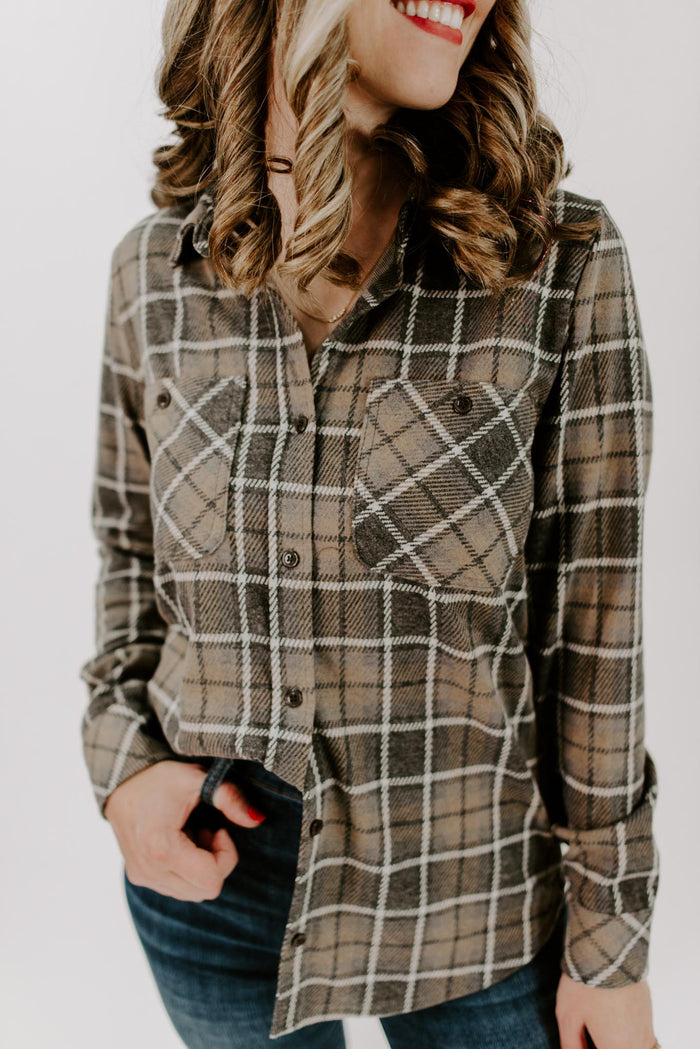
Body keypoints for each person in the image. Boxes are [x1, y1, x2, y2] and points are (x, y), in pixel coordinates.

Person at [78, 0, 662, 1047]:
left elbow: (594, 633)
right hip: (211, 893)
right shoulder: (152, 273)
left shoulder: (560, 267)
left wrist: (609, 945)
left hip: (474, 914)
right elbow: (129, 556)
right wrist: (122, 766)